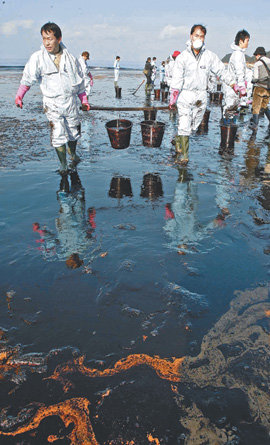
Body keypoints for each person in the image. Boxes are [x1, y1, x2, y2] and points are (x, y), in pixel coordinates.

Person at [15, 22, 90, 172]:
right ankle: (63, 165)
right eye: (44, 39)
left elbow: (80, 82)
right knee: (58, 134)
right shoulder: (38, 58)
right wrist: (19, 95)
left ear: (59, 38)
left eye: (50, 38)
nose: (47, 42)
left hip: (70, 102)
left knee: (74, 132)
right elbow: (28, 78)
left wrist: (84, 100)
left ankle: (73, 154)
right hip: (52, 103)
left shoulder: (71, 58)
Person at [169, 24, 233, 164]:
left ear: (204, 38)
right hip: (185, 94)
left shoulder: (209, 56)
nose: (199, 38)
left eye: (201, 36)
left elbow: (221, 71)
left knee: (194, 125)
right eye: (196, 35)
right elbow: (177, 78)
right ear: (191, 36)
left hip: (201, 96)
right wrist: (173, 94)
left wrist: (234, 84)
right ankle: (184, 157)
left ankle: (179, 139)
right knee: (184, 124)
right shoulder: (182, 57)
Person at [222, 29, 250, 123]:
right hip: (232, 87)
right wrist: (242, 86)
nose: (248, 43)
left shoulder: (240, 54)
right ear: (241, 41)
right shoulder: (238, 54)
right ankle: (227, 132)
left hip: (234, 87)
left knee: (232, 110)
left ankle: (230, 132)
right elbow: (239, 72)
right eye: (247, 41)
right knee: (229, 109)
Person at [249, 47, 270, 133]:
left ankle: (255, 125)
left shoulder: (257, 64)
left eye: (255, 56)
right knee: (264, 106)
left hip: (259, 88)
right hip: (268, 88)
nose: (255, 57)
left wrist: (252, 80)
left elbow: (256, 78)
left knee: (256, 107)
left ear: (258, 55)